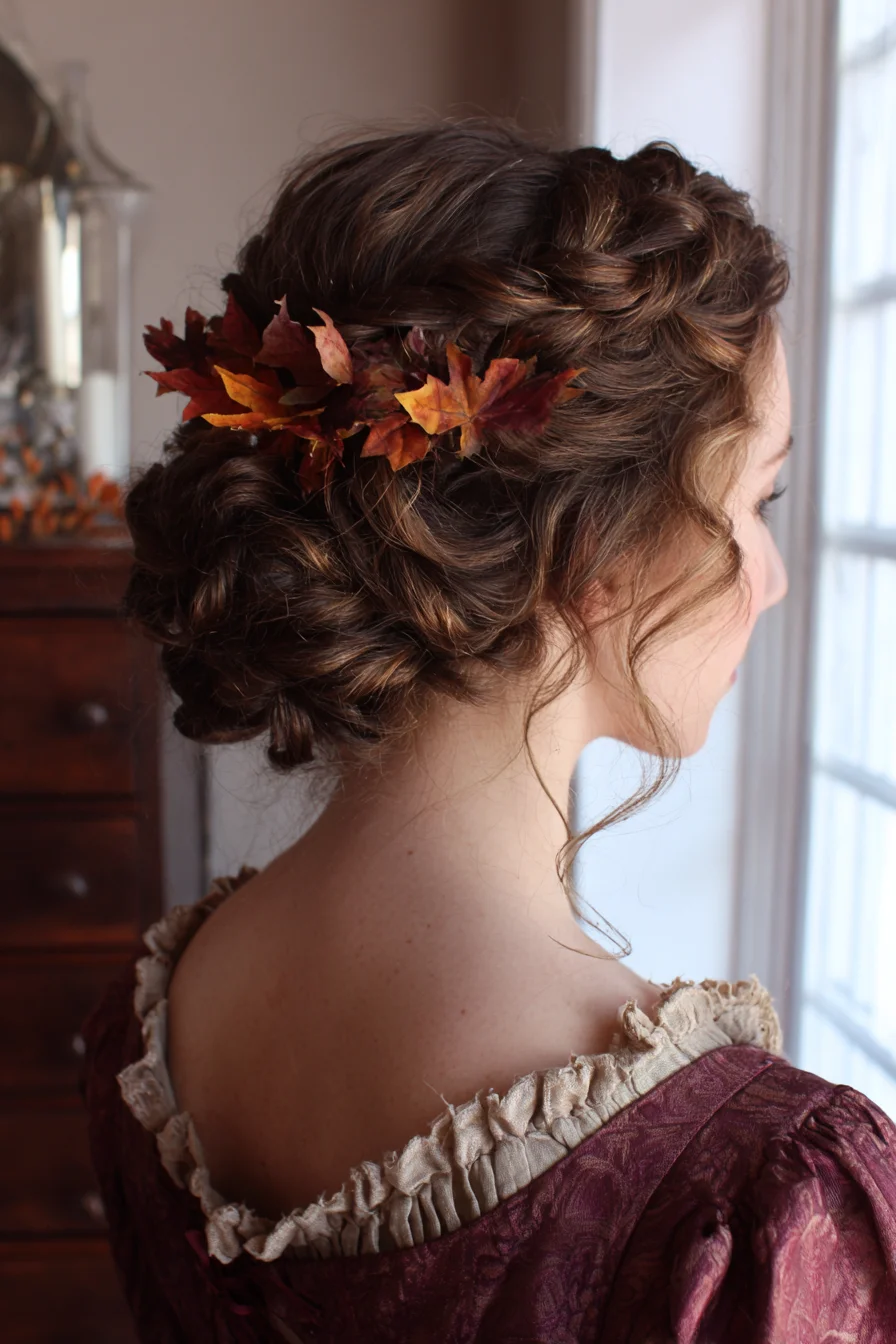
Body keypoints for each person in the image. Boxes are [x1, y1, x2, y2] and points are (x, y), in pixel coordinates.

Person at [80, 119, 896, 1342]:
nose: (769, 579)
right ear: (597, 550)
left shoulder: (160, 1017)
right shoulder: (747, 1201)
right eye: (756, 501)